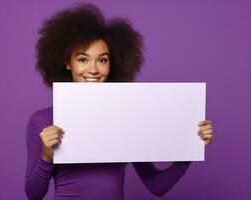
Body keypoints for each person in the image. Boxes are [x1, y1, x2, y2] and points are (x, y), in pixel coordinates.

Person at [25, 3, 214, 200]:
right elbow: (33, 194)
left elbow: (156, 185)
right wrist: (46, 156)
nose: (93, 69)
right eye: (83, 59)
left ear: (111, 64)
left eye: (102, 60)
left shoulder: (126, 116)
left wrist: (188, 150)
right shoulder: (42, 121)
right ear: (67, 62)